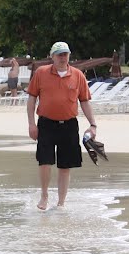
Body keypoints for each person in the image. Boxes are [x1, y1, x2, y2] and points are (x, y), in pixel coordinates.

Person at [26, 41, 97, 210]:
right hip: (46, 124)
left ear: (69, 56)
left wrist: (93, 124)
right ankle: (44, 196)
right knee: (44, 162)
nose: (63, 57)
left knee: (65, 166)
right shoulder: (41, 73)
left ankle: (61, 203)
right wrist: (31, 124)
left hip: (69, 125)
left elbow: (85, 101)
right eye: (59, 54)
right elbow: (31, 99)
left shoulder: (78, 75)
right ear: (52, 56)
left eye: (65, 54)